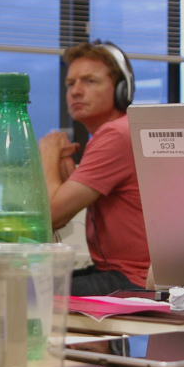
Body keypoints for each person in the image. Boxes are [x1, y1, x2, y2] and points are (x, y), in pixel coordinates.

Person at [38, 41, 150, 295]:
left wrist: (47, 151)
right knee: (34, 282)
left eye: (90, 81)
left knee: (28, 290)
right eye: (70, 83)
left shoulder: (115, 135)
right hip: (119, 271)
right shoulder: (120, 131)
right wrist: (64, 169)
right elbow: (63, 213)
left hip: (132, 279)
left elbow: (52, 215)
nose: (76, 91)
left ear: (122, 90)